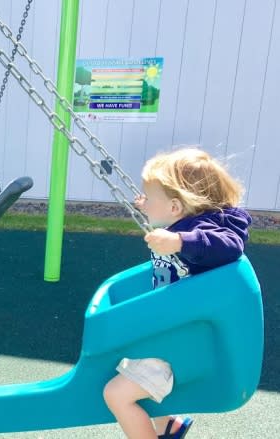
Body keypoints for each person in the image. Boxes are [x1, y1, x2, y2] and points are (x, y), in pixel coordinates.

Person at [102, 147, 251, 439]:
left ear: (174, 208)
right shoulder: (184, 221)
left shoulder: (201, 234)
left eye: (149, 198)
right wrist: (152, 207)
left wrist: (181, 241)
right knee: (118, 364)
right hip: (169, 332)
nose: (143, 203)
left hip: (181, 344)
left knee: (116, 394)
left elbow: (229, 245)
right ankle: (168, 424)